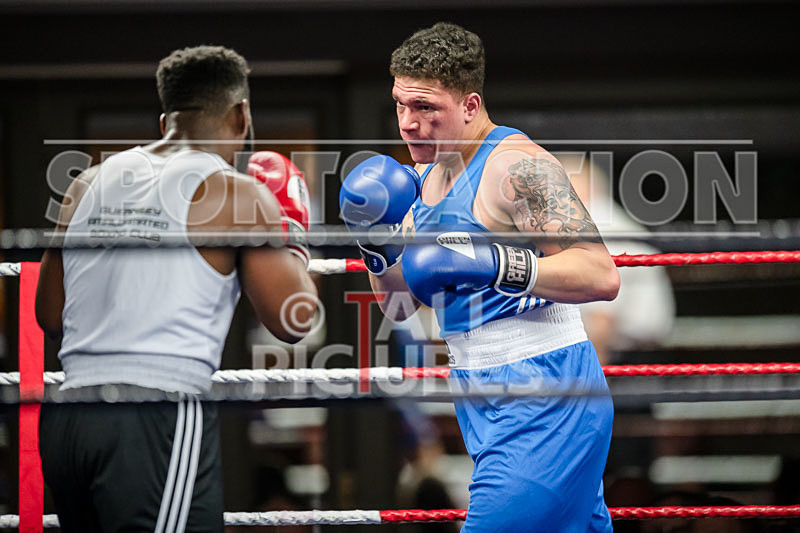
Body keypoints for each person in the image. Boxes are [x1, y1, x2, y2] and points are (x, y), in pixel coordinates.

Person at [340, 23, 619, 532]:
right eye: (401, 105)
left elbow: (600, 273)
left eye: (425, 107)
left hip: (547, 392)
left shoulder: (516, 167)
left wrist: (495, 264)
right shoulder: (422, 182)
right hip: (479, 392)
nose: (408, 123)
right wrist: (375, 244)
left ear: (470, 105)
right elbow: (399, 306)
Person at [34, 45, 317, 533]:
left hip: (70, 419)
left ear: (165, 119)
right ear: (242, 115)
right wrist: (292, 237)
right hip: (154, 414)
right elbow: (295, 320)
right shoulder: (237, 193)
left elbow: (50, 314)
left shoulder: (86, 183)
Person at [560, 153, 675, 365]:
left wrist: (593, 381)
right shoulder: (611, 220)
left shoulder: (600, 224)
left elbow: (601, 320)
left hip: (623, 354)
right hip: (637, 352)